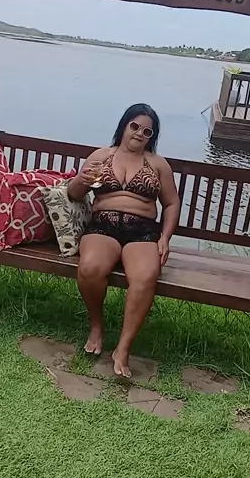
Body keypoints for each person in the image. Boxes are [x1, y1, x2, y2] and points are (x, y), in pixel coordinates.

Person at [68, 104, 180, 377]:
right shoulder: (101, 157)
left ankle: (123, 348)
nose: (140, 133)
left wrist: (165, 237)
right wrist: (81, 180)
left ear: (152, 137)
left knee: (145, 277)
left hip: (141, 232)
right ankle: (97, 326)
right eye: (135, 126)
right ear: (124, 126)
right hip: (103, 228)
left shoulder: (158, 164)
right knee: (90, 268)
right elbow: (74, 193)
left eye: (147, 131)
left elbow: (171, 203)